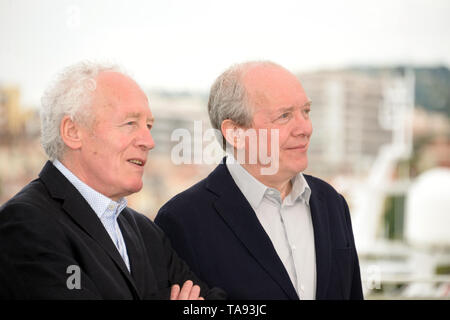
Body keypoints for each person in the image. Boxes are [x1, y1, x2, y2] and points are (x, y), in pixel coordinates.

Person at [0, 62, 226, 300]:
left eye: (148, 126)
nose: (148, 141)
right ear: (73, 131)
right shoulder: (26, 224)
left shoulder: (145, 231)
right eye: (130, 123)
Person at [155, 61, 364, 300]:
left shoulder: (331, 202)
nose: (305, 128)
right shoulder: (182, 221)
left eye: (306, 111)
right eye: (284, 116)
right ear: (235, 133)